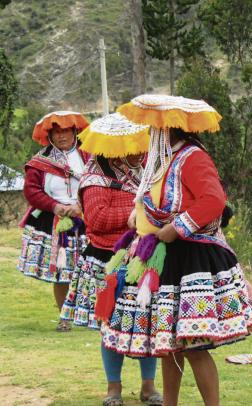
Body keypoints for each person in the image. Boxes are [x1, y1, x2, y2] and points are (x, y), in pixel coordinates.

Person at [100, 95, 252, 406]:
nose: (149, 132)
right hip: (166, 258)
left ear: (167, 128)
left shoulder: (192, 157)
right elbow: (157, 201)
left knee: (194, 344)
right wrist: (139, 216)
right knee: (169, 345)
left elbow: (213, 200)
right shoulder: (164, 160)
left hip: (191, 259)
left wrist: (178, 227)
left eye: (153, 127)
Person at [58, 112, 162, 406]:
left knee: (146, 322)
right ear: (116, 148)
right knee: (111, 324)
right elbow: (97, 219)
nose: (139, 151)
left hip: (141, 257)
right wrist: (137, 214)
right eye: (131, 146)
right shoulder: (96, 178)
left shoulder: (145, 173)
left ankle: (148, 386)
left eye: (140, 144)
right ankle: (113, 387)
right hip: (107, 261)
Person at [19, 111, 89, 332]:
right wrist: (55, 206)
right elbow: (31, 191)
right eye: (57, 132)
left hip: (86, 219)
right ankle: (64, 318)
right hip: (54, 221)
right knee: (62, 272)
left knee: (92, 270)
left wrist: (81, 206)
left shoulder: (89, 157)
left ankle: (94, 316)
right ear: (49, 136)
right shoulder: (40, 162)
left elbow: (99, 183)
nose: (62, 136)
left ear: (75, 131)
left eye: (66, 131)